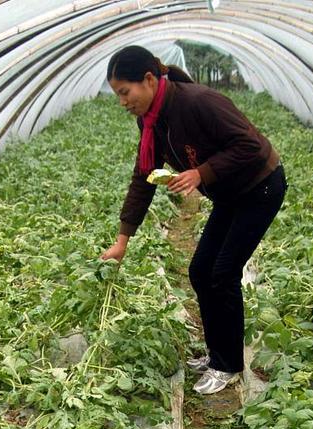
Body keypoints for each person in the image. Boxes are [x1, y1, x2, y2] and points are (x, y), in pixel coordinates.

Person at [101, 46, 287, 395]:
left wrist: (201, 173)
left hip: (260, 186)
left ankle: (228, 365)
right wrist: (122, 240)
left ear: (149, 80)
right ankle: (217, 353)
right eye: (118, 95)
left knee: (223, 273)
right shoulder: (152, 121)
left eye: (125, 92)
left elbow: (251, 146)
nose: (123, 102)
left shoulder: (198, 102)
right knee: (201, 271)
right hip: (231, 194)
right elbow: (144, 177)